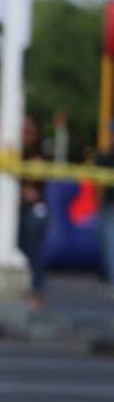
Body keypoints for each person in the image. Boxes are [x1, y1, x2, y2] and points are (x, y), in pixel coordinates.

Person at [17, 116, 49, 308]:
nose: (25, 135)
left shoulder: (39, 155)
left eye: (29, 131)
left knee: (33, 250)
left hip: (31, 209)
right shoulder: (10, 150)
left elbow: (35, 190)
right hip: (14, 210)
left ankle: (34, 290)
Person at [96, 122, 114, 288]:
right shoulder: (104, 156)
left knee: (110, 242)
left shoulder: (105, 156)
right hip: (109, 204)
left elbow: (99, 186)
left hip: (108, 205)